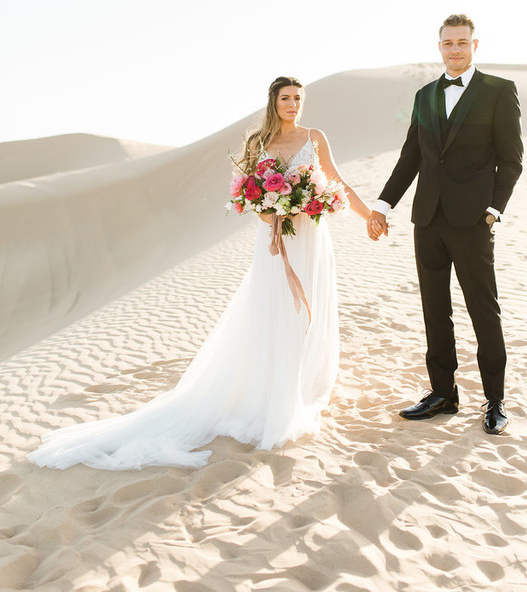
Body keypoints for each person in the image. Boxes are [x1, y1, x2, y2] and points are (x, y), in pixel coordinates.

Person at [29, 76, 371, 470]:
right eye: (285, 98)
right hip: (276, 241)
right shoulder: (257, 143)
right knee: (277, 309)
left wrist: (369, 217)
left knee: (309, 306)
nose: (293, 105)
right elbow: (246, 197)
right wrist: (269, 209)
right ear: (273, 102)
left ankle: (305, 381)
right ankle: (274, 390)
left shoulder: (315, 137)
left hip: (310, 237)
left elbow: (337, 183)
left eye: (298, 98)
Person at [368, 15, 523, 435]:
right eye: (447, 43)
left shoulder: (498, 91)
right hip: (428, 219)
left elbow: (511, 160)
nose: (454, 49)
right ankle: (443, 393)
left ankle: (495, 400)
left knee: (483, 311)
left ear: (475, 44)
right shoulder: (424, 94)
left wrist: (494, 210)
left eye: (462, 42)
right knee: (435, 311)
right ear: (439, 47)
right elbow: (411, 157)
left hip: (473, 220)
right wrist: (383, 205)